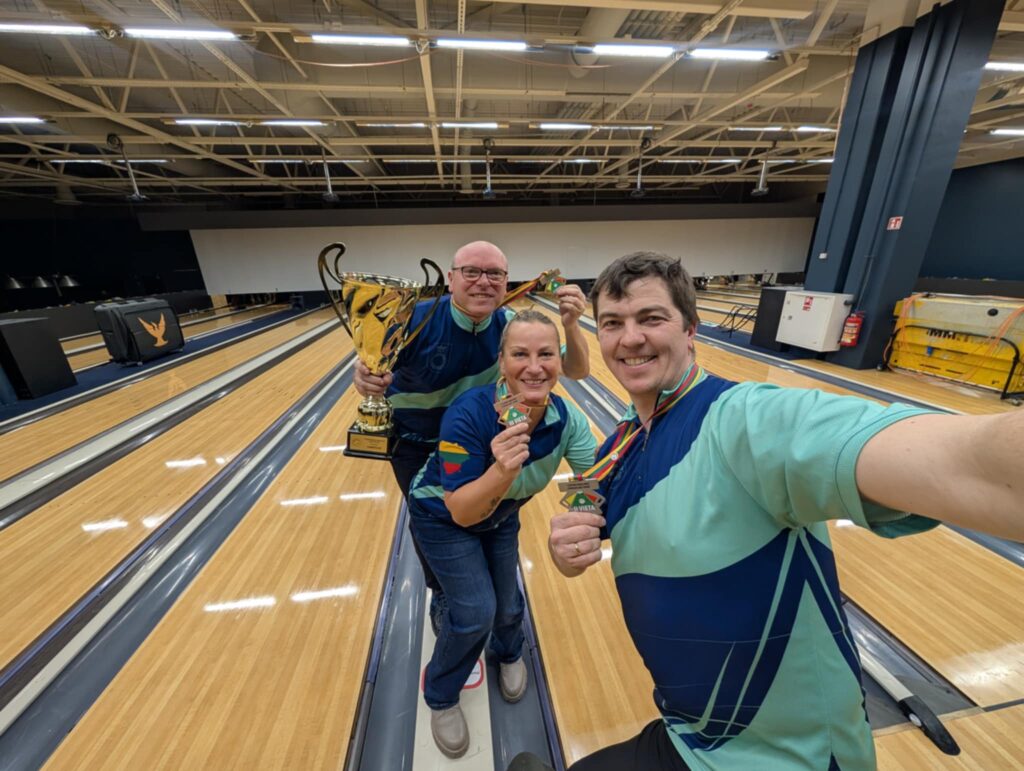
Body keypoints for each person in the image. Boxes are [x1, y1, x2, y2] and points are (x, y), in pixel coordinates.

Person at [539, 252, 1023, 770]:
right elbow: (600, 527)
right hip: (692, 733)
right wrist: (567, 549)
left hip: (790, 757)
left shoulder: (747, 420)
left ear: (691, 329)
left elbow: (966, 462)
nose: (630, 338)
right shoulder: (623, 440)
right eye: (613, 323)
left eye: (651, 318)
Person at [353, 241, 590, 633]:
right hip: (415, 443)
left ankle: (494, 601)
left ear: (506, 281)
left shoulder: (510, 327)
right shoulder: (414, 319)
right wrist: (364, 377)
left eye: (495, 273)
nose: (484, 281)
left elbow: (575, 370)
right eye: (472, 272)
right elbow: (371, 366)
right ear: (450, 279)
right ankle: (445, 592)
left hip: (479, 439)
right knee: (434, 516)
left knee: (491, 508)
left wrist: (571, 324)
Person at [407, 310, 597, 758]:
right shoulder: (468, 415)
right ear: (502, 360)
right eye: (520, 354)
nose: (534, 367)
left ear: (559, 360)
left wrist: (579, 522)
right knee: (477, 611)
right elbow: (462, 511)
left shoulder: (564, 419)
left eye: (546, 354)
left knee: (508, 603)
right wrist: (500, 471)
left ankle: (509, 651)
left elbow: (590, 477)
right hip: (442, 515)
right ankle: (441, 694)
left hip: (501, 513)